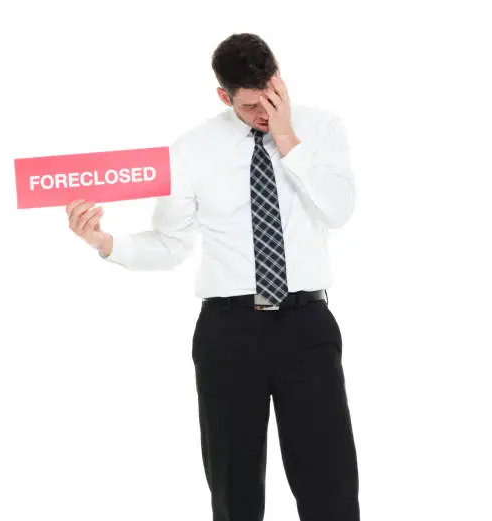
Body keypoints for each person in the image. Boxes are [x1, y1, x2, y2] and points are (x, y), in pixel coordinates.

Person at [66, 33, 360, 521]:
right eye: (249, 106)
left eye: (270, 97)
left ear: (279, 78)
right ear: (224, 96)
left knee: (329, 483)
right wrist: (104, 241)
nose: (264, 113)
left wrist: (287, 138)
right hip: (229, 332)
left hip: (305, 325)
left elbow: (338, 209)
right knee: (233, 488)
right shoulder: (190, 150)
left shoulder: (323, 129)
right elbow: (170, 244)